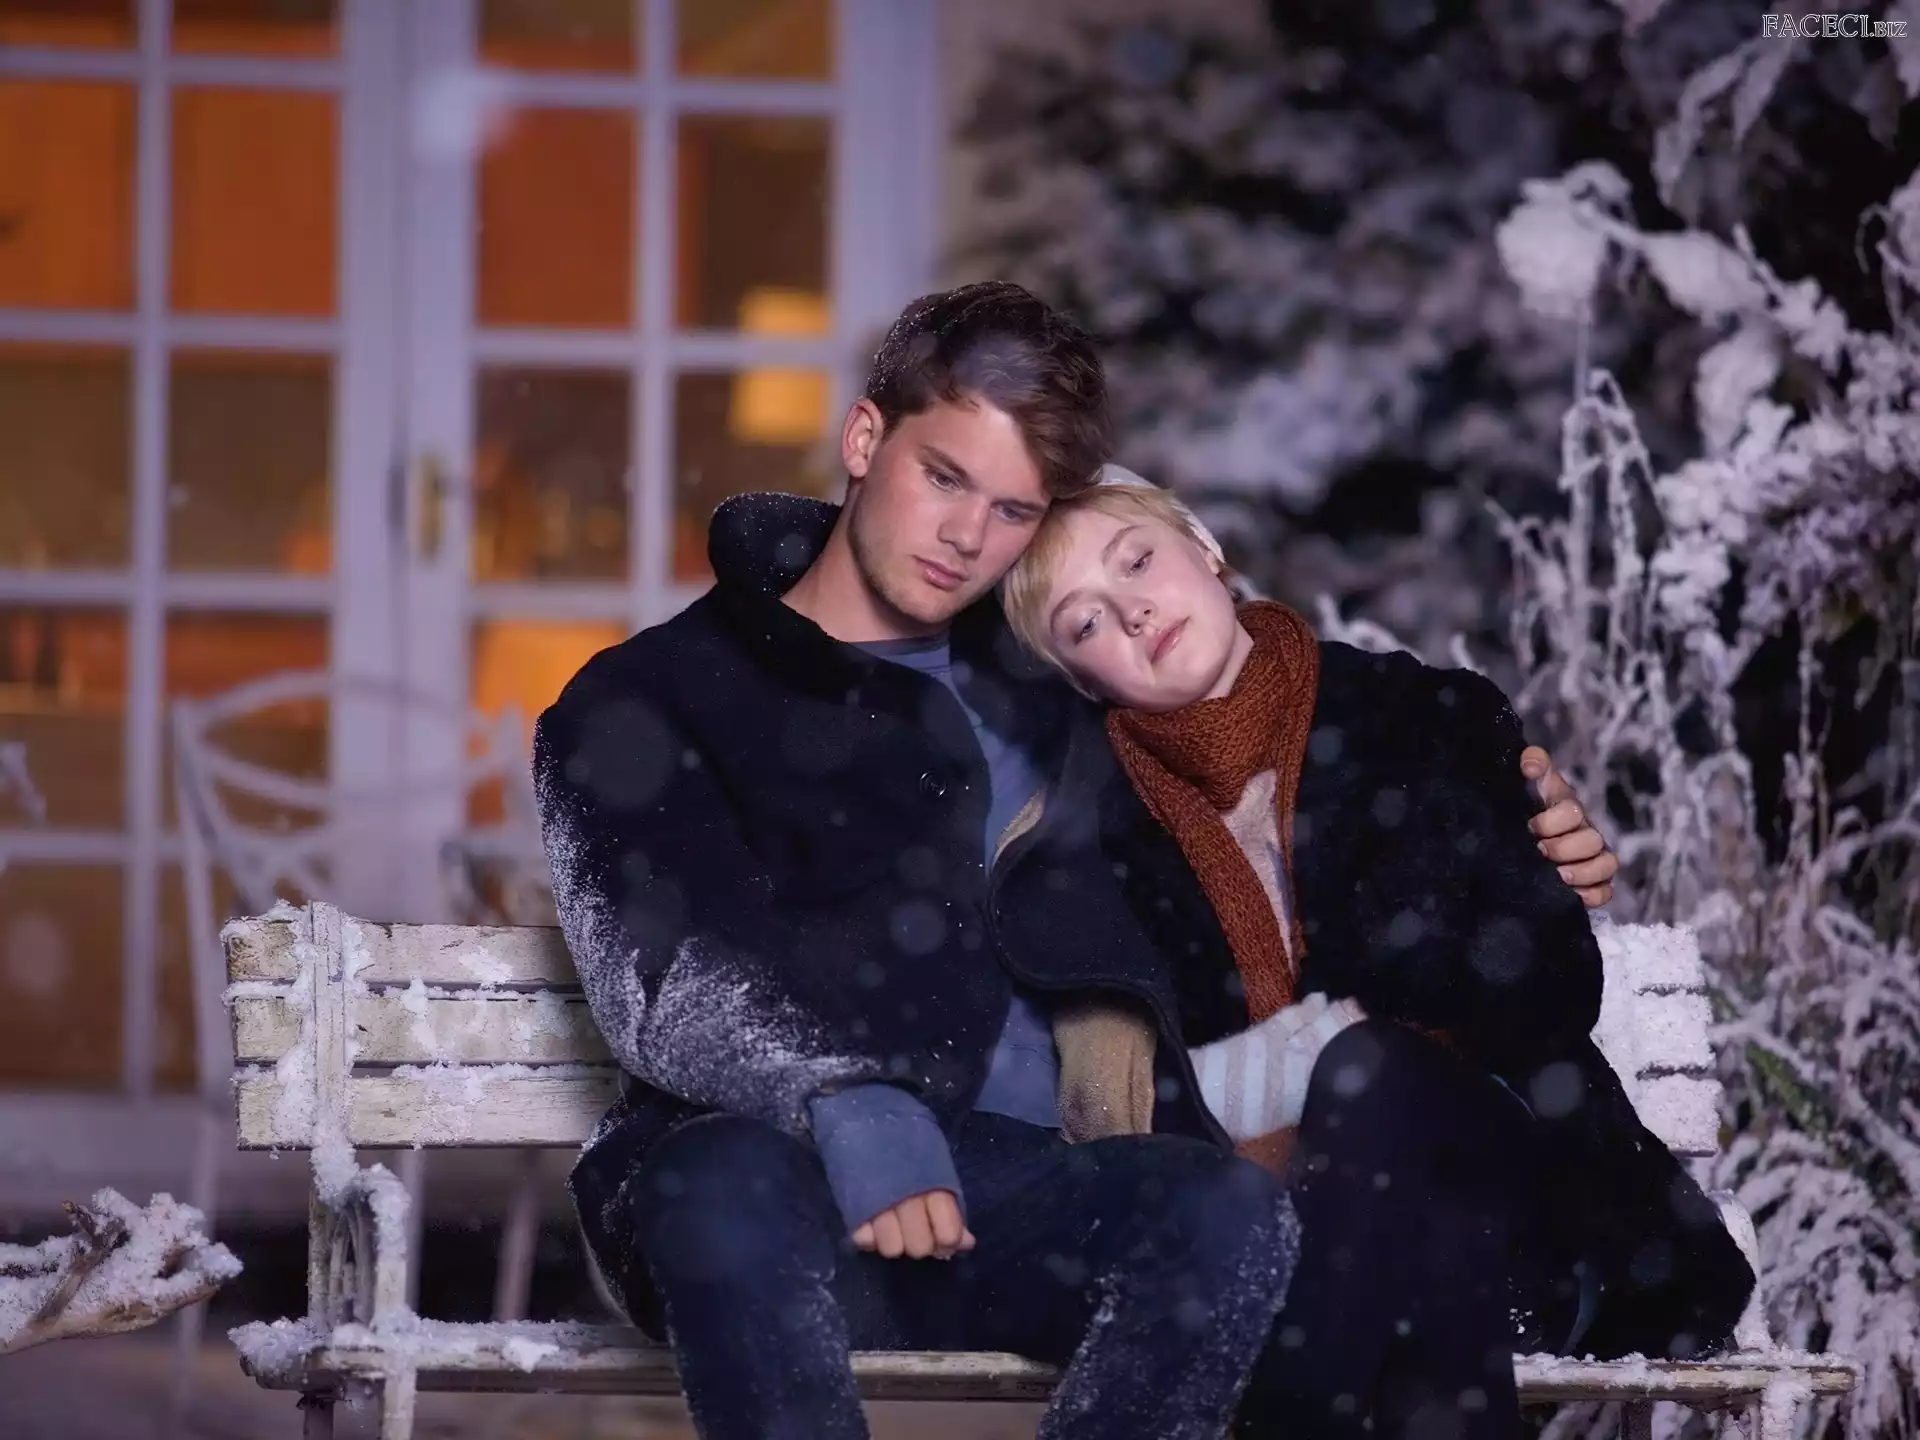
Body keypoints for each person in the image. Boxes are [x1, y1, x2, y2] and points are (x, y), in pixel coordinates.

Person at [533, 281, 1620, 1440]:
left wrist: (1512, 817)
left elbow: (1284, 756)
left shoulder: (1054, 678)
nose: (967, 537)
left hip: (1031, 1196)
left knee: (1223, 1216)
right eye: (944, 477)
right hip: (776, 1175)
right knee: (714, 1185)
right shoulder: (649, 698)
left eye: (1012, 509)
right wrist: (851, 1101)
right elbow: (660, 976)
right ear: (863, 439)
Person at [996, 470, 1757, 1440]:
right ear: (1082, 678)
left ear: (1206, 548)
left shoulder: (1418, 718)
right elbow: (1175, 1116)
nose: (1131, 611)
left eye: (1137, 561)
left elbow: (1545, 987)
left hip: (1532, 1215)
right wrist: (1341, 1047)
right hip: (1321, 1254)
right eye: (1085, 623)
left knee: (1374, 1082)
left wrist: (1317, 1064)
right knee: (1421, 1249)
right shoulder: (1100, 847)